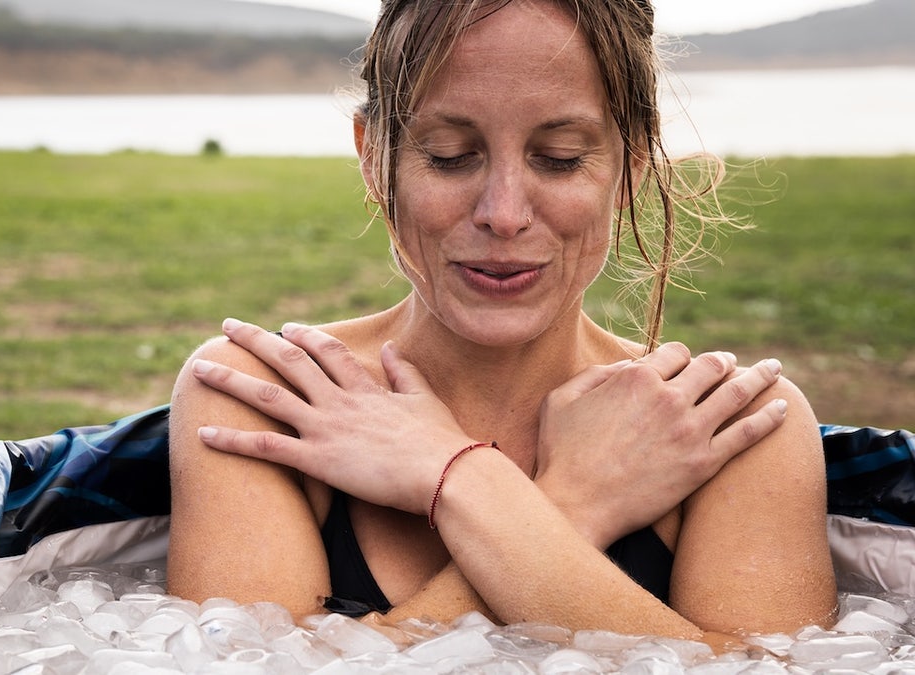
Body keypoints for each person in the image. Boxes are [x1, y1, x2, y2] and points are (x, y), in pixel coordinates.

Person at [166, 0, 837, 651]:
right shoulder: (263, 399)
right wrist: (571, 502)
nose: (504, 213)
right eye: (451, 154)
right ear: (375, 158)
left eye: (561, 156)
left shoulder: (734, 429)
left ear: (630, 166)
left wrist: (451, 477)